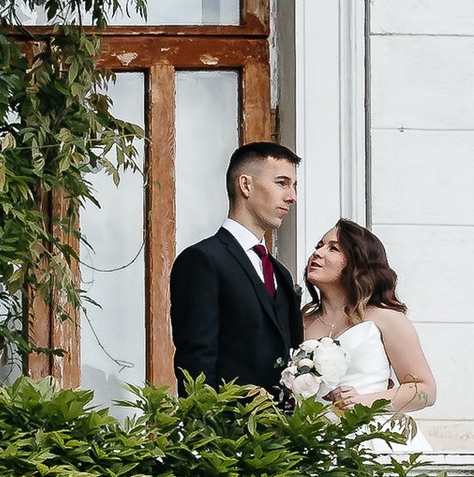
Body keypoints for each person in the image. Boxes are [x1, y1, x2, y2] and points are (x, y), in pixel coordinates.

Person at [169, 139, 305, 393]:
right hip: (226, 427)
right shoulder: (202, 260)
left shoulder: (280, 273)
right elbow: (196, 361)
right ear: (246, 184)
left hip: (285, 429)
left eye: (294, 185)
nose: (292, 197)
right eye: (282, 183)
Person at [293, 218, 437, 433]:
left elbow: (425, 390)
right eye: (319, 246)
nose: (318, 253)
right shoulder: (300, 321)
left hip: (367, 438)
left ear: (357, 263)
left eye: (333, 248)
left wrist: (364, 401)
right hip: (310, 440)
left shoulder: (386, 319)